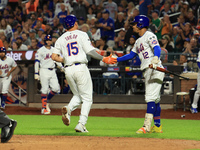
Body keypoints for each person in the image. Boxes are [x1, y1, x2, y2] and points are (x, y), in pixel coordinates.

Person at [52, 14, 113, 132]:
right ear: (75, 23)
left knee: (78, 96)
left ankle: (68, 108)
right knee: (87, 98)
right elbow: (90, 51)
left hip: (68, 69)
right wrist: (103, 58)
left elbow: (54, 57)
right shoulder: (82, 34)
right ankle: (81, 124)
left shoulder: (61, 38)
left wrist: (65, 60)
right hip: (80, 67)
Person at [109, 15, 165, 134]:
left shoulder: (150, 35)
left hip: (155, 68)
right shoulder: (139, 40)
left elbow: (157, 48)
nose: (133, 26)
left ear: (140, 25)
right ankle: (158, 126)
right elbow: (130, 55)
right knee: (155, 100)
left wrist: (156, 58)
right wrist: (116, 59)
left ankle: (146, 126)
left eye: (134, 24)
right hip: (148, 69)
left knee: (150, 98)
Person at [34, 35, 64, 115]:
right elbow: (36, 62)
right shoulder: (40, 50)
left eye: (50, 40)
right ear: (45, 41)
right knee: (44, 89)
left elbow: (57, 60)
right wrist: (36, 73)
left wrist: (61, 67)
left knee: (56, 88)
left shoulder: (54, 50)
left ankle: (46, 101)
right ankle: (44, 108)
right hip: (44, 70)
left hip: (52, 70)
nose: (48, 41)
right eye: (47, 40)